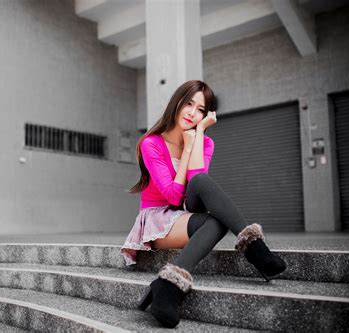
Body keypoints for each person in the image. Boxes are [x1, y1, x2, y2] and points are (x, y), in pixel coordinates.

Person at [120, 80, 287, 328]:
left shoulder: (206, 142)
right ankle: (254, 252)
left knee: (200, 180)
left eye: (200, 109)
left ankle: (168, 283)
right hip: (159, 218)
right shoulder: (151, 143)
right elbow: (173, 197)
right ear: (176, 103)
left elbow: (197, 181)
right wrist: (186, 149)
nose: (192, 112)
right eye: (189, 103)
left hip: (187, 208)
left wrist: (197, 137)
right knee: (217, 221)